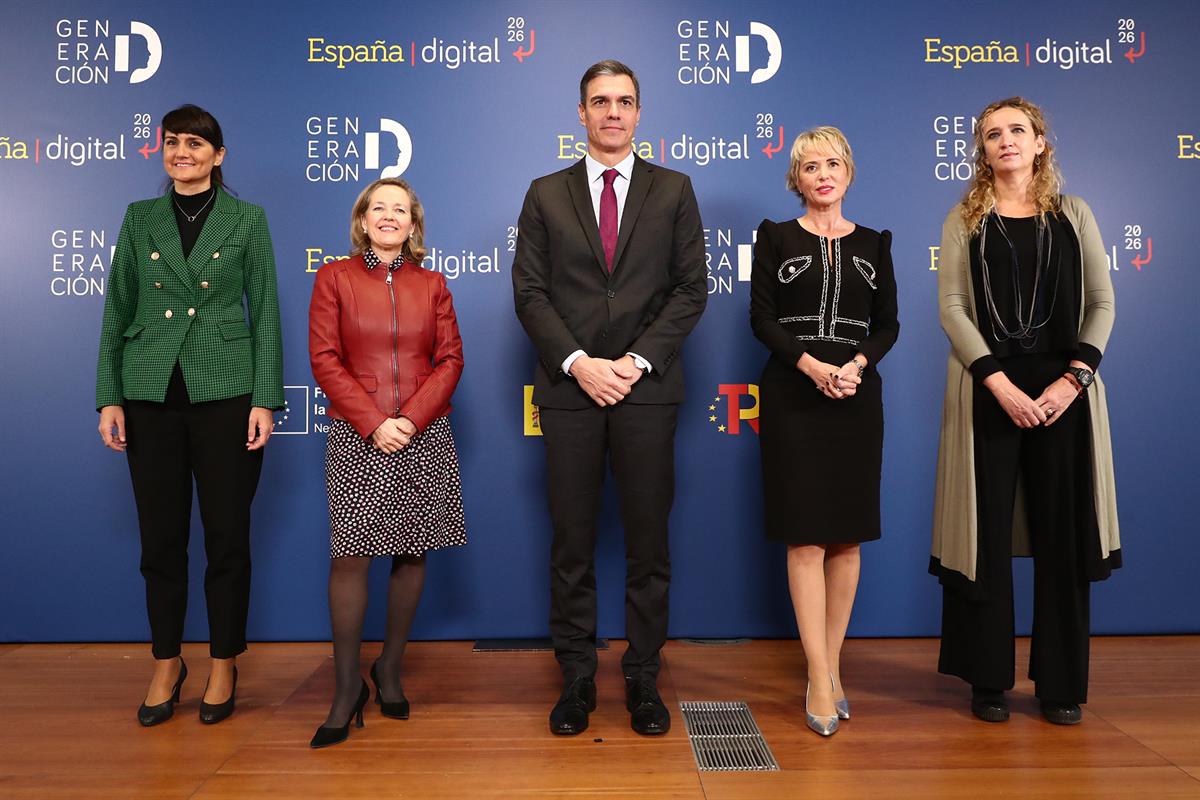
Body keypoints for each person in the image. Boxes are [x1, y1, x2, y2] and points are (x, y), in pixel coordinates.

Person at [512, 59, 707, 737]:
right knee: (571, 541)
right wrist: (577, 363)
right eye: (600, 101)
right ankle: (574, 679)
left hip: (646, 391)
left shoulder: (674, 189)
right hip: (569, 392)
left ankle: (644, 680)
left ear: (639, 112)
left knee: (648, 544)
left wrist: (632, 362)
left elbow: (690, 289)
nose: (613, 112)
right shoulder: (544, 193)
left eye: (625, 100)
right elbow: (530, 292)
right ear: (581, 113)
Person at [931, 97, 1120, 725]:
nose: (1005, 140)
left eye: (1018, 130)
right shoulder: (964, 219)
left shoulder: (1075, 215)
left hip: (1064, 390)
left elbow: (1102, 303)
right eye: (992, 134)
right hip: (990, 391)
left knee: (1064, 534)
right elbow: (953, 308)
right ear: (981, 151)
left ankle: (1061, 684)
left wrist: (1073, 380)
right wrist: (999, 383)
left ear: (1041, 142)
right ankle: (987, 680)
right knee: (981, 536)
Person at [95, 104, 283, 727]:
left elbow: (268, 313)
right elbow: (117, 306)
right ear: (162, 151)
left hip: (226, 391)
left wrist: (265, 398)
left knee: (228, 536)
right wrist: (109, 396)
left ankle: (225, 659)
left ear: (218, 155)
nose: (184, 151)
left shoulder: (246, 220)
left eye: (196, 143)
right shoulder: (139, 217)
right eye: (173, 141)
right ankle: (167, 660)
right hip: (148, 392)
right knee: (161, 538)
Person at [749, 127, 899, 737]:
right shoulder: (776, 237)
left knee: (847, 541)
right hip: (793, 395)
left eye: (832, 163)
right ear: (797, 179)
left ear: (849, 171)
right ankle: (817, 673)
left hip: (856, 399)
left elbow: (888, 325)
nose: (822, 175)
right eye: (810, 166)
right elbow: (760, 317)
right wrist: (811, 366)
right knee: (805, 539)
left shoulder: (876, 242)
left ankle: (834, 664)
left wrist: (856, 366)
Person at [307, 178, 465, 748]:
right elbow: (324, 358)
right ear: (363, 219)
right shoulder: (335, 277)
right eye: (380, 207)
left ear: (414, 223)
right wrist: (374, 421)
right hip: (358, 433)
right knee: (350, 558)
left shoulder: (434, 283)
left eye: (401, 208)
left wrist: (411, 419)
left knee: (412, 551)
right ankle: (346, 686)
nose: (390, 216)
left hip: (422, 431)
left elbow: (450, 358)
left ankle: (390, 669)